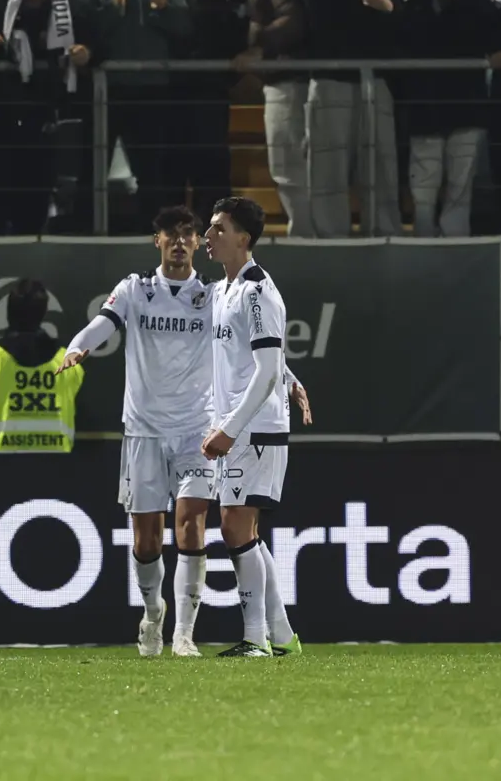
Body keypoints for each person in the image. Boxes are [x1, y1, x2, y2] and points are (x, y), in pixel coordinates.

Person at [58, 205, 310, 657]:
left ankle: (187, 635)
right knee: (148, 540)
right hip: (145, 430)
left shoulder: (215, 293)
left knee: (196, 525)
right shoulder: (137, 289)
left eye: (192, 234)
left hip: (202, 428)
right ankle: (156, 612)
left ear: (197, 243)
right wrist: (77, 347)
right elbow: (102, 324)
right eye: (169, 234)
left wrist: (288, 379)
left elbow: (263, 346)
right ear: (156, 240)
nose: (182, 241)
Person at [200, 196, 301, 658]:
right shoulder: (223, 290)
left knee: (235, 528)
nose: (208, 235)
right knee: (242, 530)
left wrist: (230, 429)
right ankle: (279, 636)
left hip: (254, 428)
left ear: (244, 237)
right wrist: (293, 379)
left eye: (219, 228)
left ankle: (257, 639)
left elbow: (265, 371)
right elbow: (266, 362)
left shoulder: (259, 291)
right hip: (240, 426)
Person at [0, 279, 85, 454]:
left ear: (9, 312)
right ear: (43, 312)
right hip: (56, 465)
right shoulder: (68, 362)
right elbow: (79, 413)